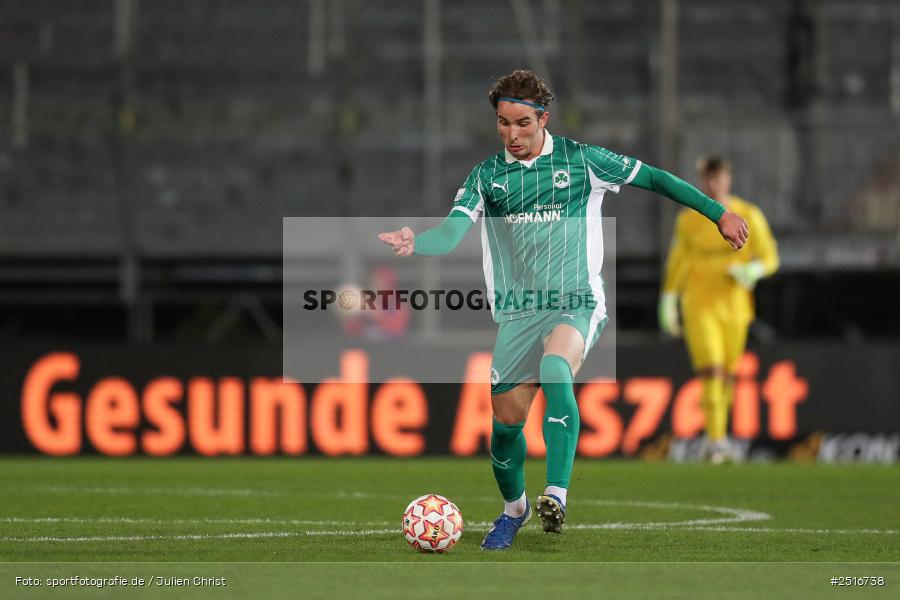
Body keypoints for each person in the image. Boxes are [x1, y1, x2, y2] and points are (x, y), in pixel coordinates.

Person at [379, 70, 748, 550]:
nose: (512, 134)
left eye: (522, 123)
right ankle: (515, 509)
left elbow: (654, 178)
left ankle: (556, 492)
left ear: (543, 119)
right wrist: (418, 241)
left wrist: (718, 212)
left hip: (577, 302)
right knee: (506, 428)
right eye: (502, 123)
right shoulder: (487, 176)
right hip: (517, 312)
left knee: (556, 368)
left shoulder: (582, 160)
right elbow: (452, 230)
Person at [659, 157, 779, 464]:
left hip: (736, 307)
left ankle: (718, 435)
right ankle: (716, 441)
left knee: (726, 375)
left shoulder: (749, 214)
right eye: (708, 179)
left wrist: (753, 271)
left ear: (728, 179)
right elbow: (678, 261)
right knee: (711, 369)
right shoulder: (688, 220)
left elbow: (769, 257)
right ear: (702, 181)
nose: (713, 185)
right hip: (699, 305)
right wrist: (669, 298)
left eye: (718, 178)